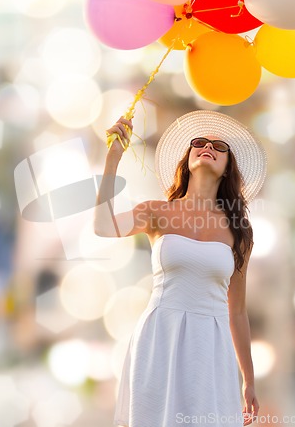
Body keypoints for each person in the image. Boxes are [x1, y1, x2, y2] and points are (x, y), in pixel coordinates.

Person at [94, 110, 266, 427]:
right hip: (159, 336)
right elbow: (103, 226)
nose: (208, 147)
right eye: (199, 142)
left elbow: (237, 312)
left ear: (228, 168)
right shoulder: (156, 212)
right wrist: (113, 159)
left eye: (219, 146)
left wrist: (249, 380)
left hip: (212, 346)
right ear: (187, 158)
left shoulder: (239, 230)